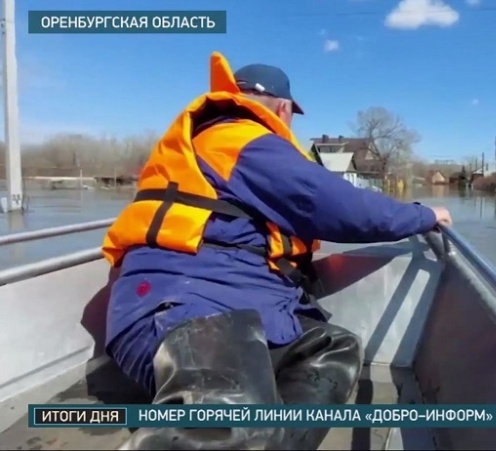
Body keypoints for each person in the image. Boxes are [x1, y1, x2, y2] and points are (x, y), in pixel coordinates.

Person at [103, 51, 453, 450]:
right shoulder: (239, 140)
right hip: (181, 311)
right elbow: (338, 205)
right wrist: (422, 216)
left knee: (333, 348)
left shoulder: (221, 144)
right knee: (228, 428)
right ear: (284, 109)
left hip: (229, 304)